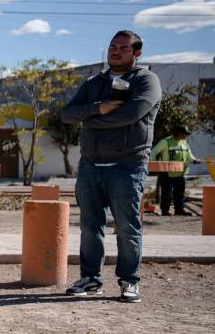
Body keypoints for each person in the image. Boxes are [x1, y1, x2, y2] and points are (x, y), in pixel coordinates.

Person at [61, 30, 162, 303]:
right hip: (91, 165)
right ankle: (91, 279)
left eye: (123, 48)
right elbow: (67, 114)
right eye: (112, 46)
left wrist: (90, 118)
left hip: (127, 166)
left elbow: (131, 115)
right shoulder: (94, 83)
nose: (115, 51)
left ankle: (130, 281)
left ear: (137, 53)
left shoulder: (147, 81)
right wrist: (98, 107)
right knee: (89, 226)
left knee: (127, 227)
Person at [150, 125, 197, 216]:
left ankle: (179, 210)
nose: (186, 136)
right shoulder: (166, 142)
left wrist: (194, 160)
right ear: (178, 134)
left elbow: (189, 155)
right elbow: (153, 152)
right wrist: (154, 165)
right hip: (167, 173)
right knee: (166, 194)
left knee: (179, 194)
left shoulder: (184, 143)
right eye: (184, 134)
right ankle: (165, 211)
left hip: (181, 173)